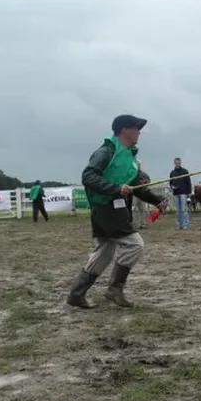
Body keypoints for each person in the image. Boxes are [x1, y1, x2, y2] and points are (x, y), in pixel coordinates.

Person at [65, 114, 168, 309]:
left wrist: (157, 200)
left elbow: (137, 184)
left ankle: (76, 294)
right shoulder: (106, 150)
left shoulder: (128, 155)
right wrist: (115, 189)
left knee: (104, 252)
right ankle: (114, 289)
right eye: (136, 128)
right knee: (135, 244)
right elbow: (88, 176)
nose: (139, 132)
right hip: (107, 208)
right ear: (124, 130)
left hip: (111, 209)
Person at [168, 156, 192, 229]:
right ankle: (179, 225)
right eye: (176, 163)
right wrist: (172, 187)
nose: (177, 164)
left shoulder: (185, 171)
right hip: (176, 193)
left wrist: (189, 192)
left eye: (179, 163)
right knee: (178, 210)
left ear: (180, 163)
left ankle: (186, 224)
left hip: (183, 193)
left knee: (184, 209)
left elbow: (188, 182)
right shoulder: (172, 173)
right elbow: (170, 183)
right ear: (174, 163)